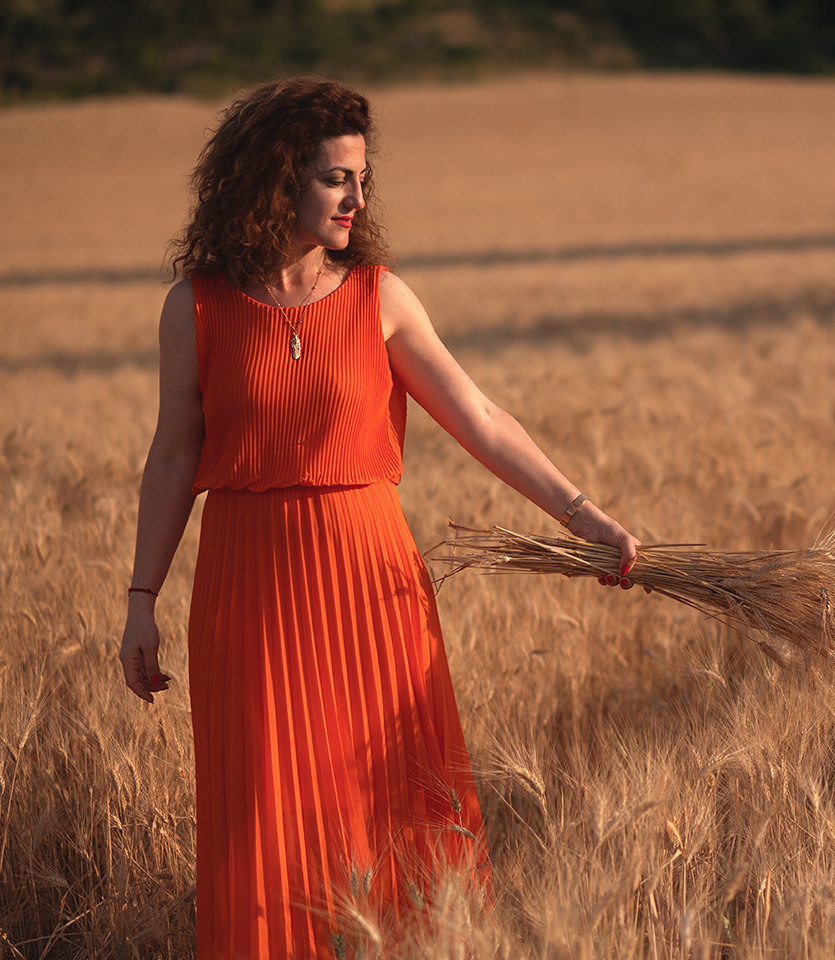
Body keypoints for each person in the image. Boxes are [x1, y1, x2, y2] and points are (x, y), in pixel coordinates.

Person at [118, 77, 640, 958]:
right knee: (264, 809)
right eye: (335, 179)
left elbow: (479, 419)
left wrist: (581, 514)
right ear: (276, 181)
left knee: (396, 803)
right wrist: (141, 598)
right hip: (248, 596)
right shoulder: (195, 307)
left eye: (362, 178)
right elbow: (173, 455)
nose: (359, 197)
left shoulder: (379, 298)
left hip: (371, 591)